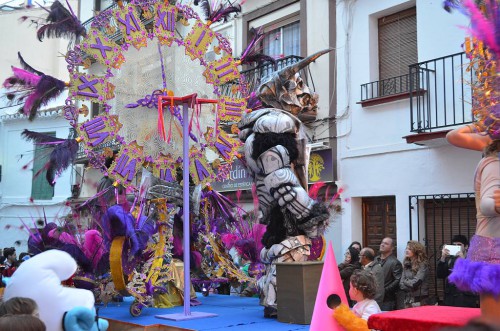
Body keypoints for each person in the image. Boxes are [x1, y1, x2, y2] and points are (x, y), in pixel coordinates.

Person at [447, 124, 500, 325]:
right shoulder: (494, 163)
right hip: (494, 253)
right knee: (495, 322)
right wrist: (478, 125)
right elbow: (488, 203)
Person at [437, 235, 479, 307]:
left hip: (466, 299)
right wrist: (443, 257)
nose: (457, 247)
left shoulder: (473, 259)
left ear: (466, 246)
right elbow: (440, 275)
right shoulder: (450, 259)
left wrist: (463, 259)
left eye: (459, 245)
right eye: (454, 245)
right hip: (450, 299)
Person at [374, 237, 402, 311]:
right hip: (373, 298)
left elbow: (397, 280)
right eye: (382, 242)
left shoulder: (395, 262)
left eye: (386, 243)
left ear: (392, 248)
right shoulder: (376, 259)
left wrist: (384, 290)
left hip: (387, 300)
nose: (382, 245)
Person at [400, 240, 429, 307]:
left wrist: (405, 281)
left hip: (420, 299)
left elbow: (416, 283)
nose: (407, 250)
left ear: (416, 251)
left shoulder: (422, 264)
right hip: (408, 299)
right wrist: (408, 285)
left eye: (410, 249)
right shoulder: (406, 264)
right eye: (406, 248)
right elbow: (401, 284)